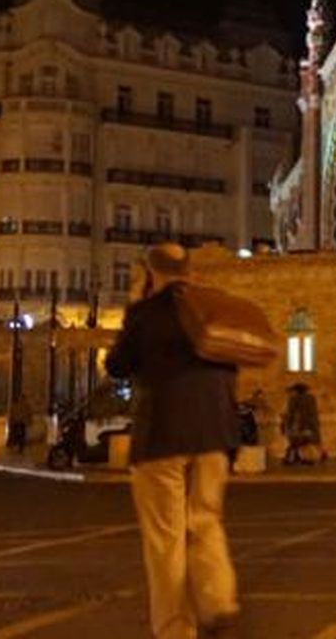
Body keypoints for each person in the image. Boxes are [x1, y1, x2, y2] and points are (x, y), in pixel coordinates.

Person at [105, 243, 240, 639]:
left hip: (162, 436)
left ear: (151, 272)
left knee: (166, 541)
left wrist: (134, 305)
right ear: (188, 270)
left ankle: (176, 630)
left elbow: (117, 366)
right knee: (206, 521)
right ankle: (218, 600)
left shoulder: (146, 314)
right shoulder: (213, 308)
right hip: (215, 433)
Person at [281, 382, 323, 465]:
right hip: (310, 425)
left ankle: (294, 458)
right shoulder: (311, 398)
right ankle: (306, 458)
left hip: (298, 425)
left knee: (295, 442)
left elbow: (291, 413)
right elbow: (314, 413)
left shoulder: (293, 399)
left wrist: (287, 425)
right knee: (307, 442)